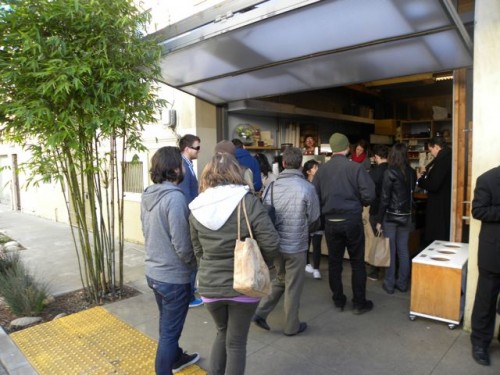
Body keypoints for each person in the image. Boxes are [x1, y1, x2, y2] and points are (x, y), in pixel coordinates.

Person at [189, 152, 279, 375]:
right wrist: (263, 263)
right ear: (235, 172)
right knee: (237, 342)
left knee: (222, 332)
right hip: (244, 284)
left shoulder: (196, 206)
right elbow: (271, 241)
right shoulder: (247, 202)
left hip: (209, 285)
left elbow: (197, 249)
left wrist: (210, 267)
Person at [141, 146, 200, 374]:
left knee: (167, 325)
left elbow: (148, 232)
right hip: (173, 278)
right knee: (169, 332)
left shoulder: (148, 194)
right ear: (175, 169)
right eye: (182, 164)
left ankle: (176, 358)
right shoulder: (175, 198)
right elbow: (182, 245)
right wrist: (195, 265)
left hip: (154, 273)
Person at [253, 147, 320, 335]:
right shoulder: (307, 188)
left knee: (281, 279)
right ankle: (291, 326)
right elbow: (314, 218)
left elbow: (264, 215)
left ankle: (260, 313)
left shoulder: (272, 186)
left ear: (283, 164)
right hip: (296, 246)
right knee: (293, 286)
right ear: (300, 164)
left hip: (275, 245)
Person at [313, 133, 375, 314]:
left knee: (334, 262)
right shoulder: (355, 168)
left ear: (332, 149)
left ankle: (338, 300)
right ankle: (359, 303)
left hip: (331, 222)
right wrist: (361, 202)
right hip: (352, 220)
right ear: (348, 147)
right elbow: (369, 195)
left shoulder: (321, 171)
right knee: (357, 263)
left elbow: (314, 196)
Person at [469, 165, 500, 367]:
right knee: (485, 302)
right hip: (493, 253)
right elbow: (477, 210)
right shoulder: (487, 179)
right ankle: (480, 343)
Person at [375, 143, 416, 294]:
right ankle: (402, 283)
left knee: (390, 251)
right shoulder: (411, 172)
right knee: (403, 250)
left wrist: (379, 220)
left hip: (391, 217)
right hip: (406, 216)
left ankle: (389, 284)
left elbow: (385, 199)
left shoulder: (389, 172)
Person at [178, 134, 203, 308]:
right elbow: (186, 195)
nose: (198, 150)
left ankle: (188, 294)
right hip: (189, 217)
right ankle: (188, 296)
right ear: (187, 148)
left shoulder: (187, 164)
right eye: (197, 147)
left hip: (189, 215)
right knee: (190, 258)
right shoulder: (183, 167)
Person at [416, 135, 452, 247]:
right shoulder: (446, 156)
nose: (431, 153)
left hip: (439, 202)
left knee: (438, 236)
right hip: (443, 201)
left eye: (431, 149)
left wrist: (420, 180)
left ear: (436, 147)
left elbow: (434, 185)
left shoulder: (443, 160)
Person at [367, 144, 389, 281]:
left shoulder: (374, 172)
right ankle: (389, 269)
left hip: (376, 208)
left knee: (377, 240)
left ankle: (375, 270)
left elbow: (368, 191)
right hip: (390, 210)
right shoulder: (394, 169)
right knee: (388, 240)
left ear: (376, 157)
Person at [303, 159, 323, 280]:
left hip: (318, 216)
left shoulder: (321, 182)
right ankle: (306, 263)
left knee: (317, 243)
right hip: (306, 217)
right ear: (308, 171)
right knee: (306, 242)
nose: (317, 169)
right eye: (315, 168)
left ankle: (316, 268)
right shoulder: (304, 184)